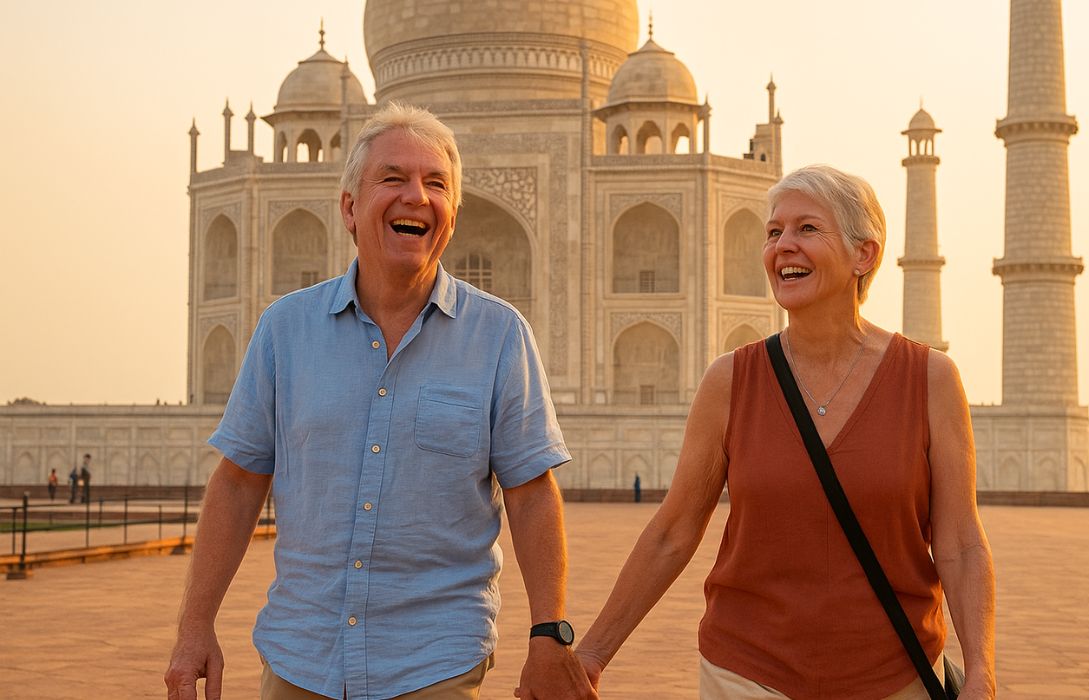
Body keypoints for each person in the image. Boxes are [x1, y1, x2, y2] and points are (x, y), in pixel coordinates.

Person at [165, 103, 595, 700]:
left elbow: (530, 492)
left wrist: (550, 633)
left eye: (436, 183)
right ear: (348, 206)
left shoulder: (498, 335)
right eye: (393, 178)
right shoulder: (286, 330)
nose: (416, 196)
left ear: (453, 215)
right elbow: (238, 483)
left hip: (434, 660)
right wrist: (194, 627)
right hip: (302, 655)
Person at [575, 165, 997, 699]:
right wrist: (591, 653)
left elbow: (960, 542)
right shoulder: (731, 380)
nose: (783, 247)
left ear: (863, 254)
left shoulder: (929, 379)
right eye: (774, 232)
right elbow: (673, 530)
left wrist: (981, 670)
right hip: (748, 671)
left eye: (807, 230)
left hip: (895, 674)